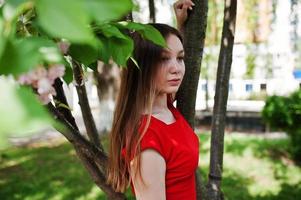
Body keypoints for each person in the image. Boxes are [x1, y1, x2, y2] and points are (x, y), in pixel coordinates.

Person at [107, 0, 198, 199]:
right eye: (164, 58)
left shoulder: (164, 104)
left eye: (180, 58)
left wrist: (180, 24)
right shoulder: (147, 141)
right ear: (143, 66)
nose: (177, 68)